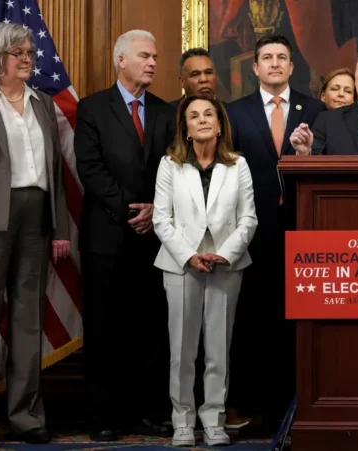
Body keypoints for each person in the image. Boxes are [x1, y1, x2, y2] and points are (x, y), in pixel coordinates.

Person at [74, 29, 176, 441]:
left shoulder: (168, 113)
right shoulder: (92, 108)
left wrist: (156, 209)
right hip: (107, 236)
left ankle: (146, 411)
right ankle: (103, 415)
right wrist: (129, 209)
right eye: (144, 56)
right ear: (121, 60)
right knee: (103, 326)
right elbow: (90, 168)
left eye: (155, 56)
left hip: (155, 236)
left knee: (150, 326)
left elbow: (174, 169)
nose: (152, 62)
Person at [224, 35, 325, 434]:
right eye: (267, 58)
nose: (275, 64)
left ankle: (296, 402)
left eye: (282, 57)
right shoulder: (235, 112)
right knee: (255, 319)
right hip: (253, 231)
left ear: (292, 66)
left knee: (297, 318)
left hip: (303, 228)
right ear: (255, 67)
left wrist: (307, 155)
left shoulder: (315, 110)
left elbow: (326, 162)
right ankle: (257, 405)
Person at [153, 95, 257, 447]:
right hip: (182, 265)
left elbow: (248, 218)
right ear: (184, 125)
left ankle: (214, 419)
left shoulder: (237, 165)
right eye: (193, 116)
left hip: (226, 264)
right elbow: (161, 220)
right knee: (182, 350)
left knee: (218, 348)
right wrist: (189, 255)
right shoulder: (170, 164)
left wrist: (225, 253)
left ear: (219, 122)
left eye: (208, 114)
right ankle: (182, 421)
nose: (201, 120)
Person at [0, 22, 71, 445]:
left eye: (31, 53)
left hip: (36, 215)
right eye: (18, 52)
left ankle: (25, 416)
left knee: (27, 319)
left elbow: (55, 170)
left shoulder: (41, 102)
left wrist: (58, 226)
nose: (27, 59)